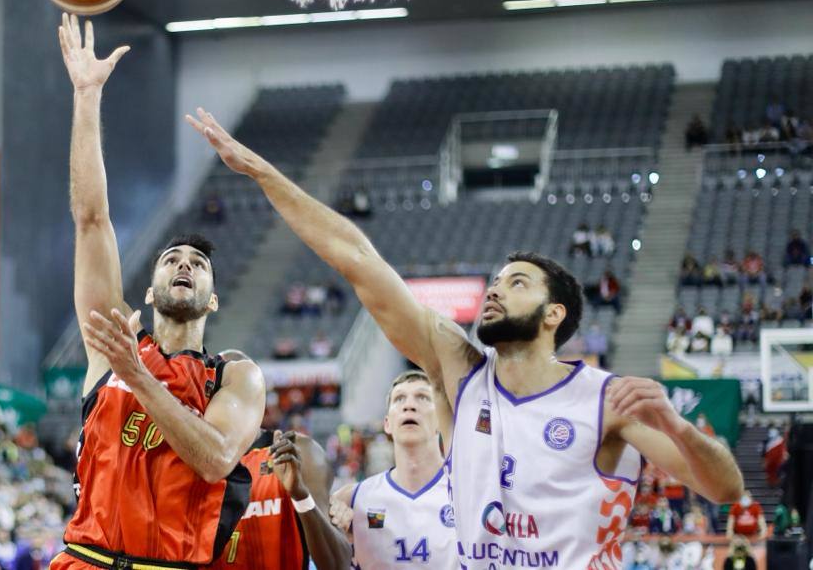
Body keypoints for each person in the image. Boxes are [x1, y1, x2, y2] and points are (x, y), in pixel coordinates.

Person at [187, 108, 744, 568]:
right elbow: (360, 261)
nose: (496, 291)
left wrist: (677, 428)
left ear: (554, 315)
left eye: (516, 283)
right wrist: (263, 173)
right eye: (496, 282)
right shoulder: (459, 371)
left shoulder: (606, 401)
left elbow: (725, 489)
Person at [52, 15, 265, 569]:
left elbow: (216, 458)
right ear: (147, 291)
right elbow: (91, 219)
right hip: (83, 558)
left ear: (213, 299)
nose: (184, 265)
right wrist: (86, 97)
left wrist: (142, 378)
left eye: (198, 264)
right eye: (172, 259)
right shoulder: (112, 343)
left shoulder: (233, 376)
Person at [205, 350, 350, 570]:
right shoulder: (192, 461)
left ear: (259, 392)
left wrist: (301, 496)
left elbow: (337, 563)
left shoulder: (298, 451)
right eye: (221, 382)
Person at [327, 370, 457, 569]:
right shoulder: (351, 500)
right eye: (399, 399)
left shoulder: (466, 494)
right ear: (387, 424)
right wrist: (335, 533)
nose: (409, 405)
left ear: (441, 419)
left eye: (422, 397)